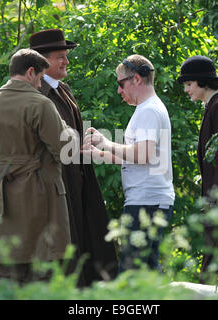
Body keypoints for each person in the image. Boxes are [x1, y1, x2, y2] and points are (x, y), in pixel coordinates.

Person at [0, 48, 78, 285]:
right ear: (31, 72)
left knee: (6, 273)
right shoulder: (40, 104)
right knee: (41, 275)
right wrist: (69, 129)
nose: (41, 85)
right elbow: (66, 152)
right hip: (36, 196)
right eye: (41, 78)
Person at [29, 29, 118, 286]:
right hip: (57, 181)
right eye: (60, 56)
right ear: (41, 61)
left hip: (78, 177)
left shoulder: (63, 88)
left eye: (66, 56)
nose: (66, 61)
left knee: (88, 239)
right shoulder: (37, 95)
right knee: (66, 245)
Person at [83, 54, 175, 272]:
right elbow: (140, 157)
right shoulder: (147, 109)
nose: (118, 91)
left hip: (146, 200)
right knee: (148, 269)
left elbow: (142, 155)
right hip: (150, 199)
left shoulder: (148, 110)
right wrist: (100, 154)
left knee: (133, 271)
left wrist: (106, 142)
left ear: (137, 79)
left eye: (120, 84)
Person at [177, 55, 218, 283]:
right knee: (217, 268)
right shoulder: (213, 107)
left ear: (202, 82)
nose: (186, 90)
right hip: (217, 203)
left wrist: (215, 203)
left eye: (188, 84)